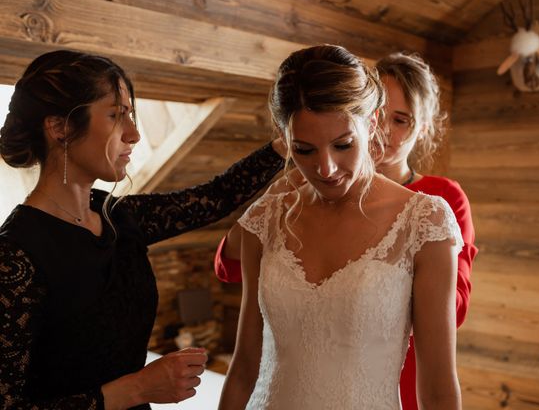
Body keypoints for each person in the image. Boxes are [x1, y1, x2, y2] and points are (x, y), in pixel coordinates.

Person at [0, 50, 284, 409]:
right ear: (60, 128)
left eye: (131, 115)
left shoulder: (120, 217)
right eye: (117, 116)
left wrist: (288, 144)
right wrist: (137, 389)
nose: (133, 134)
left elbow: (215, 197)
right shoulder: (15, 257)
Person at [214, 52, 478, 409]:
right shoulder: (267, 216)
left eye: (343, 145)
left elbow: (438, 387)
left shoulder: (425, 218)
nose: (326, 168)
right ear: (284, 138)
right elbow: (244, 365)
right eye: (304, 149)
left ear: (371, 126)